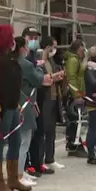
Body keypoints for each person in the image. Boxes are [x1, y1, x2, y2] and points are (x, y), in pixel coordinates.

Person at [0, 24, 30, 191]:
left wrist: (18, 105)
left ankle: (12, 179)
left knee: (16, 142)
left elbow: (14, 86)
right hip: (2, 110)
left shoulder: (11, 61)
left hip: (13, 108)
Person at [15, 36, 54, 188]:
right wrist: (39, 66)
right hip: (24, 105)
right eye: (27, 44)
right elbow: (37, 78)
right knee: (24, 142)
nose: (29, 47)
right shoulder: (24, 63)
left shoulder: (21, 62)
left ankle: (20, 171)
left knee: (22, 142)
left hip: (24, 103)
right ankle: (18, 173)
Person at [29, 36, 65, 177]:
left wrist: (57, 76)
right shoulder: (38, 61)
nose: (54, 50)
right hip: (44, 98)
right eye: (52, 47)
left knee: (51, 130)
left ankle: (50, 158)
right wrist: (52, 76)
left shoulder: (51, 61)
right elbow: (40, 78)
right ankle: (39, 160)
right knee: (42, 131)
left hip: (54, 96)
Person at [64, 39, 88, 157]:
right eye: (83, 48)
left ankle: (74, 143)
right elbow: (71, 78)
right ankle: (73, 144)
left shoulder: (77, 60)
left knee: (76, 120)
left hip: (78, 92)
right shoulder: (73, 60)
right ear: (78, 48)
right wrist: (77, 95)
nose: (84, 51)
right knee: (75, 120)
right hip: (74, 94)